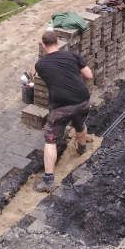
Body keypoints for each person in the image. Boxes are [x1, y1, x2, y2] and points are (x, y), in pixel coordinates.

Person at [33, 30, 93, 193]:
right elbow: (89, 75)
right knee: (80, 124)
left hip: (61, 107)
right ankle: (81, 148)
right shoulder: (72, 56)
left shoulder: (41, 65)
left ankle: (48, 181)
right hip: (83, 100)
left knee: (50, 140)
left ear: (44, 46)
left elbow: (50, 77)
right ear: (57, 43)